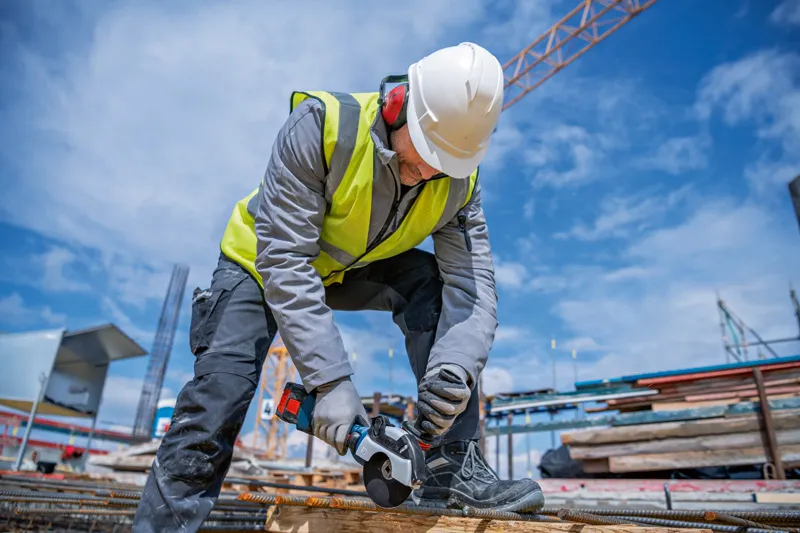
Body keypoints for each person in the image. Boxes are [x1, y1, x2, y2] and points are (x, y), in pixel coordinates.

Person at [132, 42, 544, 532]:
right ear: (398, 107)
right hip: (262, 263)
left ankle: (451, 467)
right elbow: (285, 259)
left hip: (352, 267)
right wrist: (329, 382)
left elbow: (472, 285)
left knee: (432, 286)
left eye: (444, 165)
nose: (430, 173)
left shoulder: (460, 184)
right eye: (423, 158)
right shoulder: (320, 126)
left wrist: (454, 370)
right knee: (219, 397)